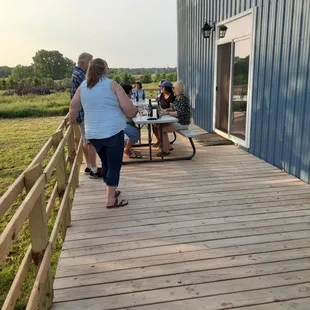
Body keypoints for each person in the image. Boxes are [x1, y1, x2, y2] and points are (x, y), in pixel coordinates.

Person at [69, 58, 136, 208]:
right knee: (114, 165)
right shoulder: (112, 85)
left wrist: (71, 121)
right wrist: (132, 113)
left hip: (93, 134)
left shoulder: (83, 87)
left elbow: (73, 107)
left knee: (105, 162)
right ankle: (110, 200)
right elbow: (128, 108)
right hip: (112, 131)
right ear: (104, 69)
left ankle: (110, 191)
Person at [70, 52, 101, 179]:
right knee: (90, 142)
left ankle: (89, 165)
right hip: (85, 113)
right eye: (90, 61)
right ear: (83, 63)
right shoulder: (82, 75)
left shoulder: (77, 74)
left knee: (85, 140)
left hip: (82, 112)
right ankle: (94, 169)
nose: (92, 64)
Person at [156, 80, 191, 156]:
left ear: (178, 89)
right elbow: (174, 109)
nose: (172, 89)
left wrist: (167, 113)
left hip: (182, 123)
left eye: (174, 88)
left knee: (161, 129)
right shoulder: (179, 98)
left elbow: (179, 113)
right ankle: (168, 146)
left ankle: (166, 150)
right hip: (179, 121)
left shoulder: (182, 99)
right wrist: (166, 110)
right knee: (160, 127)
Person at [152, 80, 176, 148]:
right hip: (162, 114)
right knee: (153, 125)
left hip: (169, 116)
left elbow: (173, 109)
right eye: (161, 87)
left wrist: (165, 110)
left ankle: (163, 143)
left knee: (158, 125)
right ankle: (159, 140)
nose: (161, 88)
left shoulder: (172, 96)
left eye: (162, 87)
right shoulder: (162, 95)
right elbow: (159, 104)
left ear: (167, 88)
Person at [121, 83, 142, 159]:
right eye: (131, 91)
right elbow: (130, 115)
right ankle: (126, 149)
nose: (132, 93)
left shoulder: (124, 100)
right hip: (123, 124)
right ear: (127, 92)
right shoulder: (125, 101)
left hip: (125, 122)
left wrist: (134, 110)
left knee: (136, 130)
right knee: (135, 133)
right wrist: (136, 112)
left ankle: (127, 148)